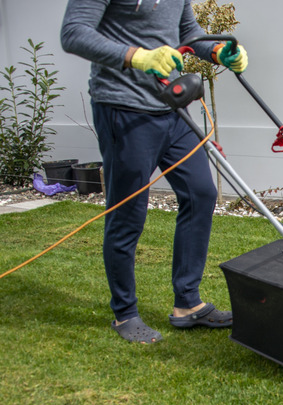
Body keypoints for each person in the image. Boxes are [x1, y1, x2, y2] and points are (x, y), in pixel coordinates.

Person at [60, 0, 248, 344]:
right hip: (123, 109)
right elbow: (73, 34)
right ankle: (125, 312)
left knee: (201, 193)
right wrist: (138, 56)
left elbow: (188, 34)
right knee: (127, 212)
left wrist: (218, 50)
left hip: (170, 106)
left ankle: (187, 303)